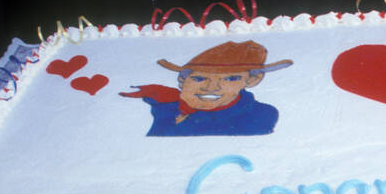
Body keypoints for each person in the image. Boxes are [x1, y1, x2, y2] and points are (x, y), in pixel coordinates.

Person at [121, 41, 292, 136]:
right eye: (199, 78)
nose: (212, 87)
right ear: (182, 80)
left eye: (231, 78)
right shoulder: (162, 106)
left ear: (253, 80)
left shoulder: (262, 115)